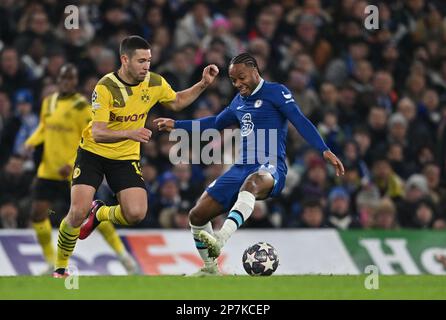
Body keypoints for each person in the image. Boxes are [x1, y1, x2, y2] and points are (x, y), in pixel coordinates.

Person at [154, 53, 344, 275]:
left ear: (254, 70)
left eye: (241, 77)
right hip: (241, 167)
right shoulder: (238, 102)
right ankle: (210, 269)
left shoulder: (277, 92)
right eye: (233, 80)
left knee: (251, 184)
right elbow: (214, 123)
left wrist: (324, 150)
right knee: (197, 215)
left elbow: (299, 120)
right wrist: (177, 124)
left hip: (271, 166)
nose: (238, 84)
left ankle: (220, 238)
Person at [52, 35, 218, 277]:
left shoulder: (154, 82)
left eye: (149, 61)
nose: (146, 66)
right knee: (77, 213)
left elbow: (177, 101)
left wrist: (202, 84)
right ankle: (60, 268)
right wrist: (131, 132)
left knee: (136, 214)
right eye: (141, 61)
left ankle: (99, 212)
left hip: (125, 157)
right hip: (93, 153)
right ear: (124, 59)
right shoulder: (105, 86)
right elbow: (98, 133)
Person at [24, 64, 139, 274]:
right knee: (38, 214)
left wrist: (70, 160)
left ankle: (123, 256)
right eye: (64, 78)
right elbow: (43, 127)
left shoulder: (82, 107)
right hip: (48, 170)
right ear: (58, 80)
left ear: (75, 82)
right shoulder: (48, 102)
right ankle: (51, 261)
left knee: (84, 213)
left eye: (71, 79)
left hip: (71, 169)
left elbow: (90, 136)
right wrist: (30, 142)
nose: (67, 82)